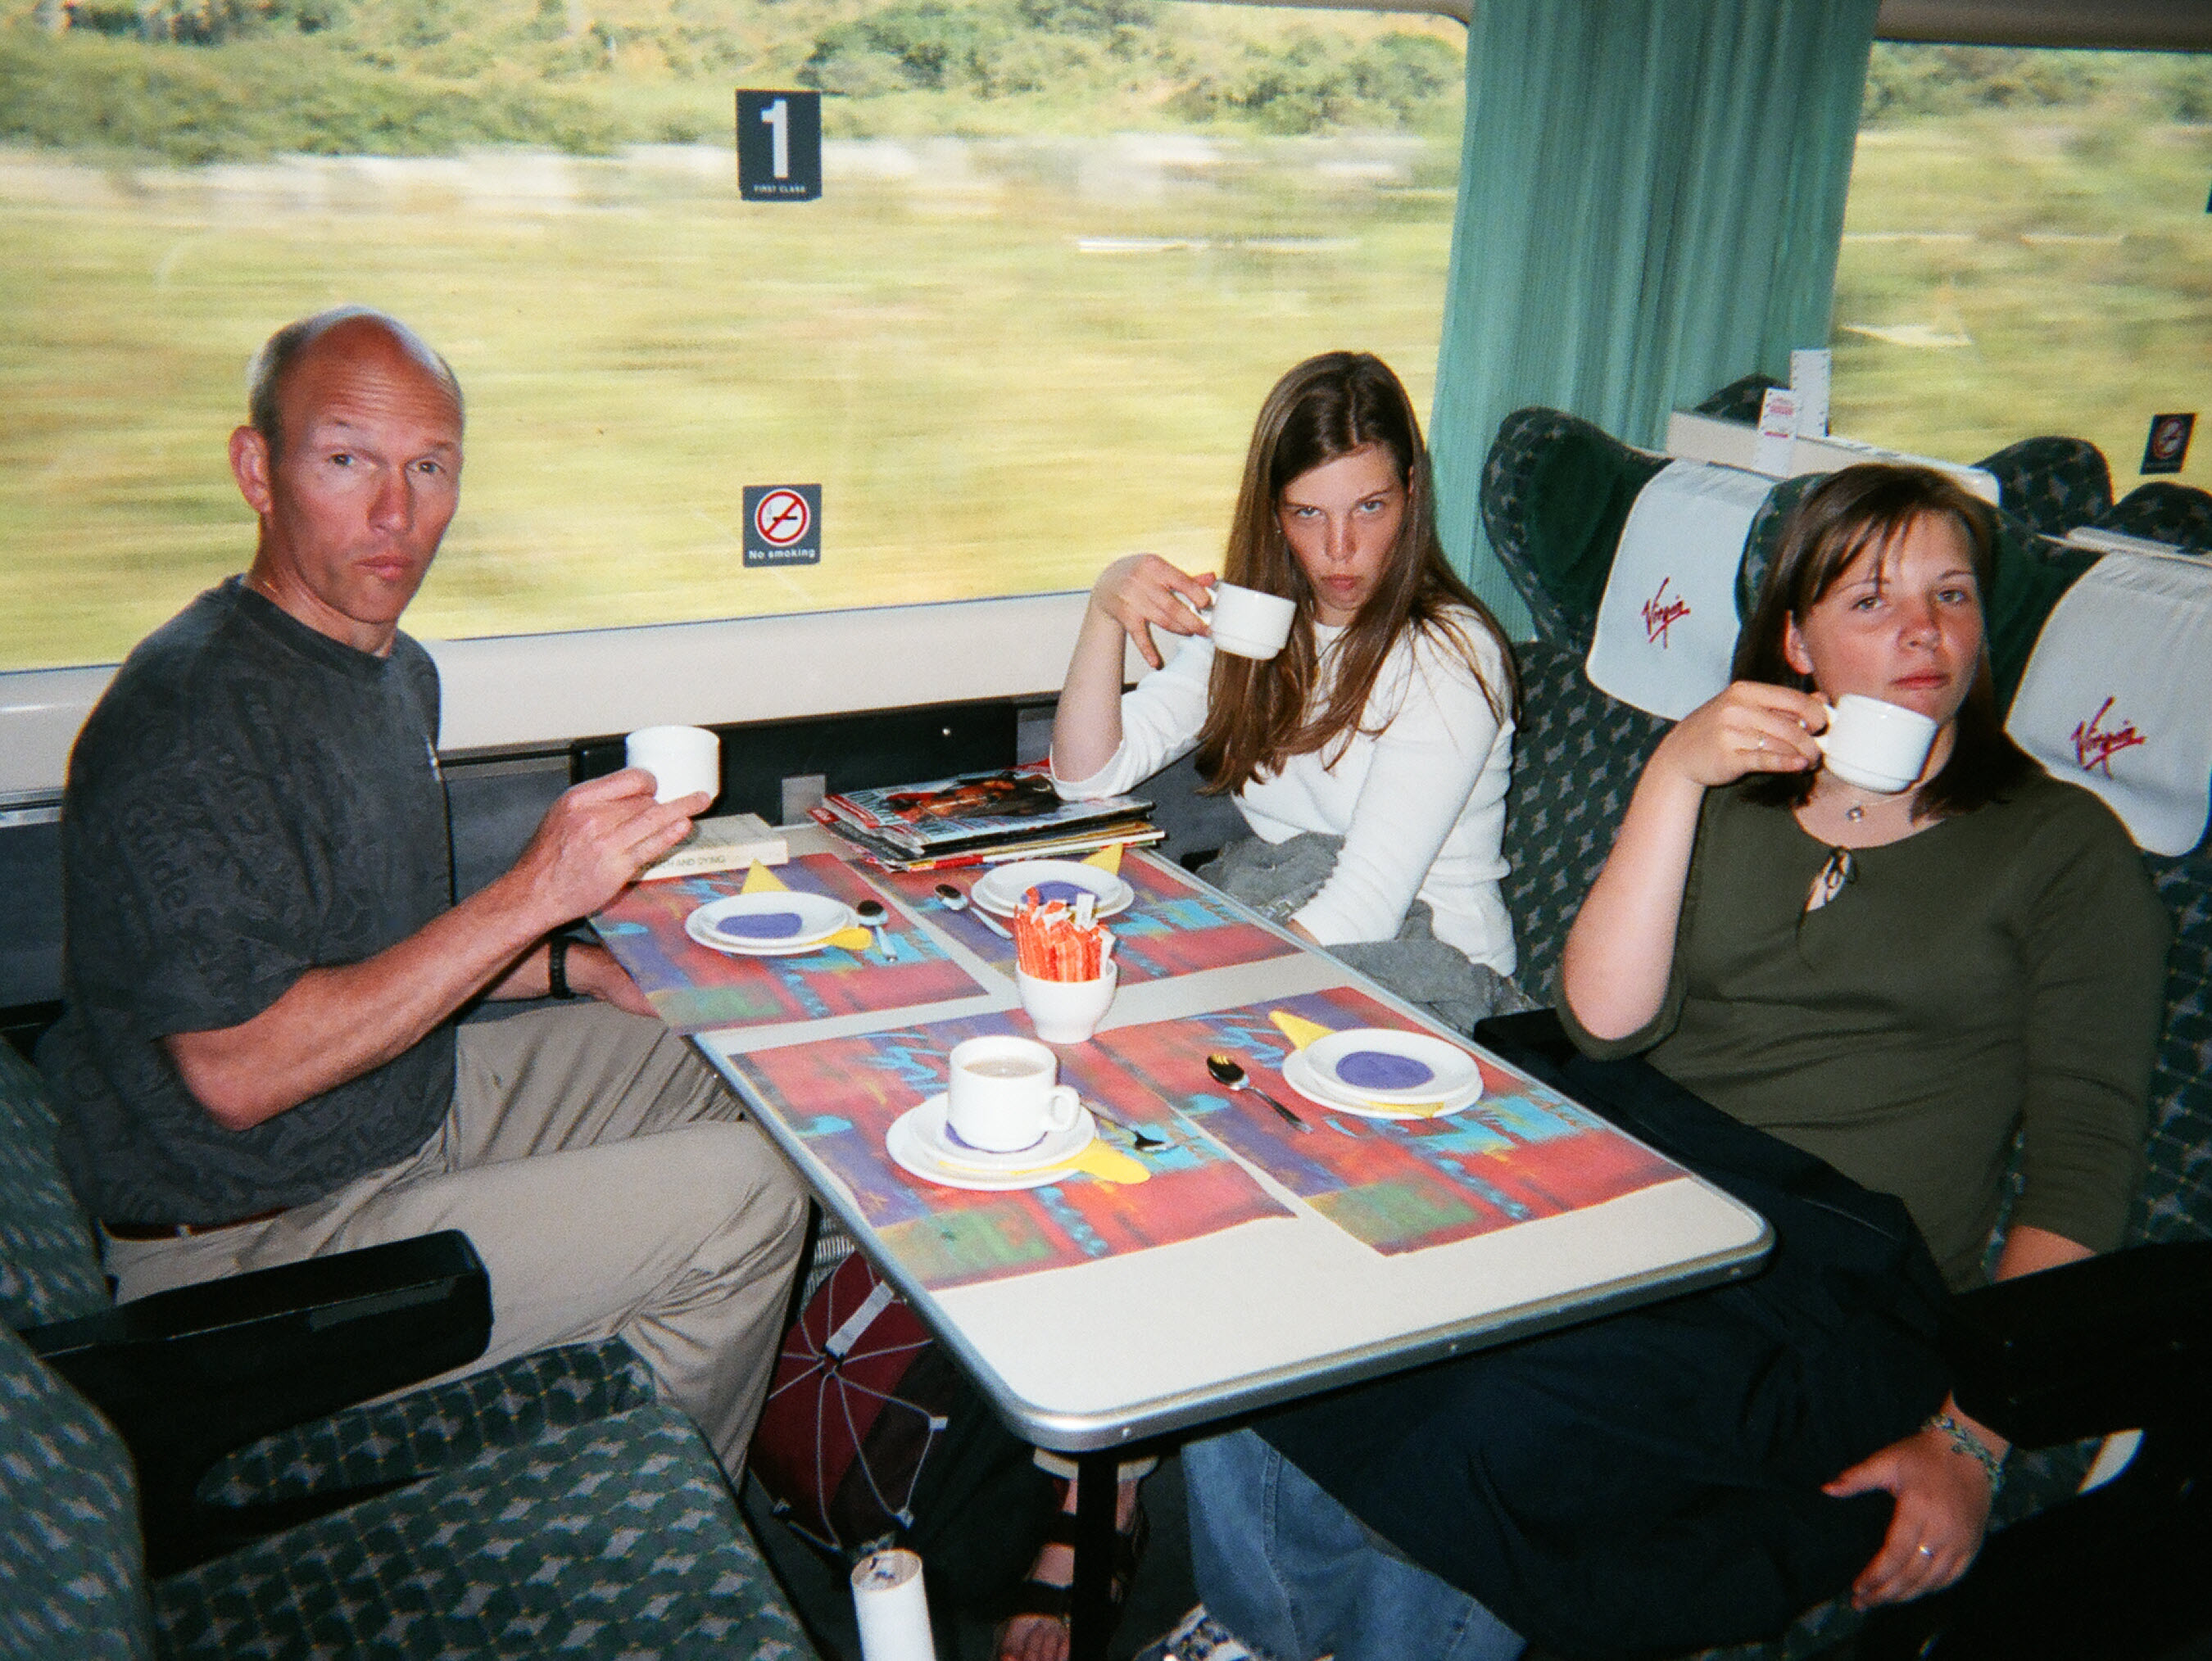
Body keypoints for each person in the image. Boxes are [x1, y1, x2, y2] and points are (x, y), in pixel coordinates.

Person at [1164, 463, 2169, 1660]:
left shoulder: (2062, 847)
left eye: (1952, 595)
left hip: (1833, 1278)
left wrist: (1972, 1439)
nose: (1921, 630)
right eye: (1870, 601)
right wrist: (1675, 774)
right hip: (1632, 1187)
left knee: (1490, 1426)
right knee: (1276, 1302)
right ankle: (1265, 1628)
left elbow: (2083, 1163)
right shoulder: (1733, 799)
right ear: (1795, 640)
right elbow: (1602, 1025)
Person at [37, 306, 809, 1485]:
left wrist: (574, 966)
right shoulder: (190, 724)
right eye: (347, 461)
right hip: (255, 1243)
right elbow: (238, 1071)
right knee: (743, 1202)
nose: (396, 515)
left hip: (393, 1109)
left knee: (735, 1050)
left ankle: (614, 1345)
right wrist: (537, 896)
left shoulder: (392, 668)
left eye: (429, 468)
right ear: (258, 470)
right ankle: (636, 1519)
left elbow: (380, 952)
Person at [1051, 350, 1522, 1027]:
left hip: (1431, 984)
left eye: (1370, 506)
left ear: (1413, 493)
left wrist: (1186, 996)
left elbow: (1365, 907)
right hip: (1304, 937)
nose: (1340, 548)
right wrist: (1104, 610)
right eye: (1307, 513)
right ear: (1272, 513)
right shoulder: (1260, 623)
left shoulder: (1449, 654)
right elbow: (1089, 776)